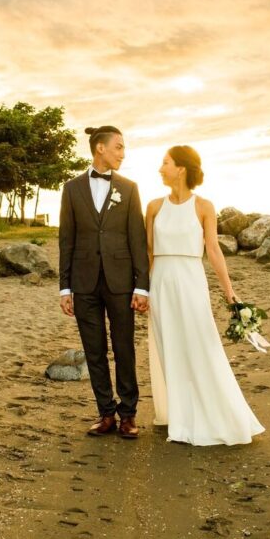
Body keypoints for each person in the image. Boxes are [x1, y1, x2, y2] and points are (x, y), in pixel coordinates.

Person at [146, 145, 265, 446]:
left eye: (165, 163)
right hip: (160, 281)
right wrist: (143, 291)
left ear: (182, 168)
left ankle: (216, 415)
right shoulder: (154, 207)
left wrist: (229, 292)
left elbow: (213, 250)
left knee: (201, 344)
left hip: (190, 280)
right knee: (169, 347)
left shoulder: (204, 206)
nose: (160, 168)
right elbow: (147, 251)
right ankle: (180, 416)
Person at [58, 126, 150, 438]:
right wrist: (65, 287)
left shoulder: (130, 187)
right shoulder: (71, 189)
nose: (123, 154)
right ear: (100, 148)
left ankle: (128, 415)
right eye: (119, 147)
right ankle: (105, 413)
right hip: (84, 284)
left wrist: (141, 285)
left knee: (124, 348)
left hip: (121, 281)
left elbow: (137, 239)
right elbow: (66, 240)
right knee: (94, 350)